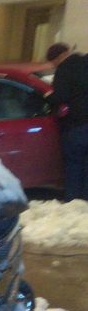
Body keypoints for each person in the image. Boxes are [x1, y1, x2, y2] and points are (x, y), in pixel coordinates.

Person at [46, 43, 88, 201]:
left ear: (59, 57)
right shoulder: (85, 62)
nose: (54, 66)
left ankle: (72, 199)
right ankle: (85, 200)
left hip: (77, 124)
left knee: (74, 163)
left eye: (53, 62)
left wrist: (47, 96)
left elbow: (60, 97)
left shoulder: (64, 70)